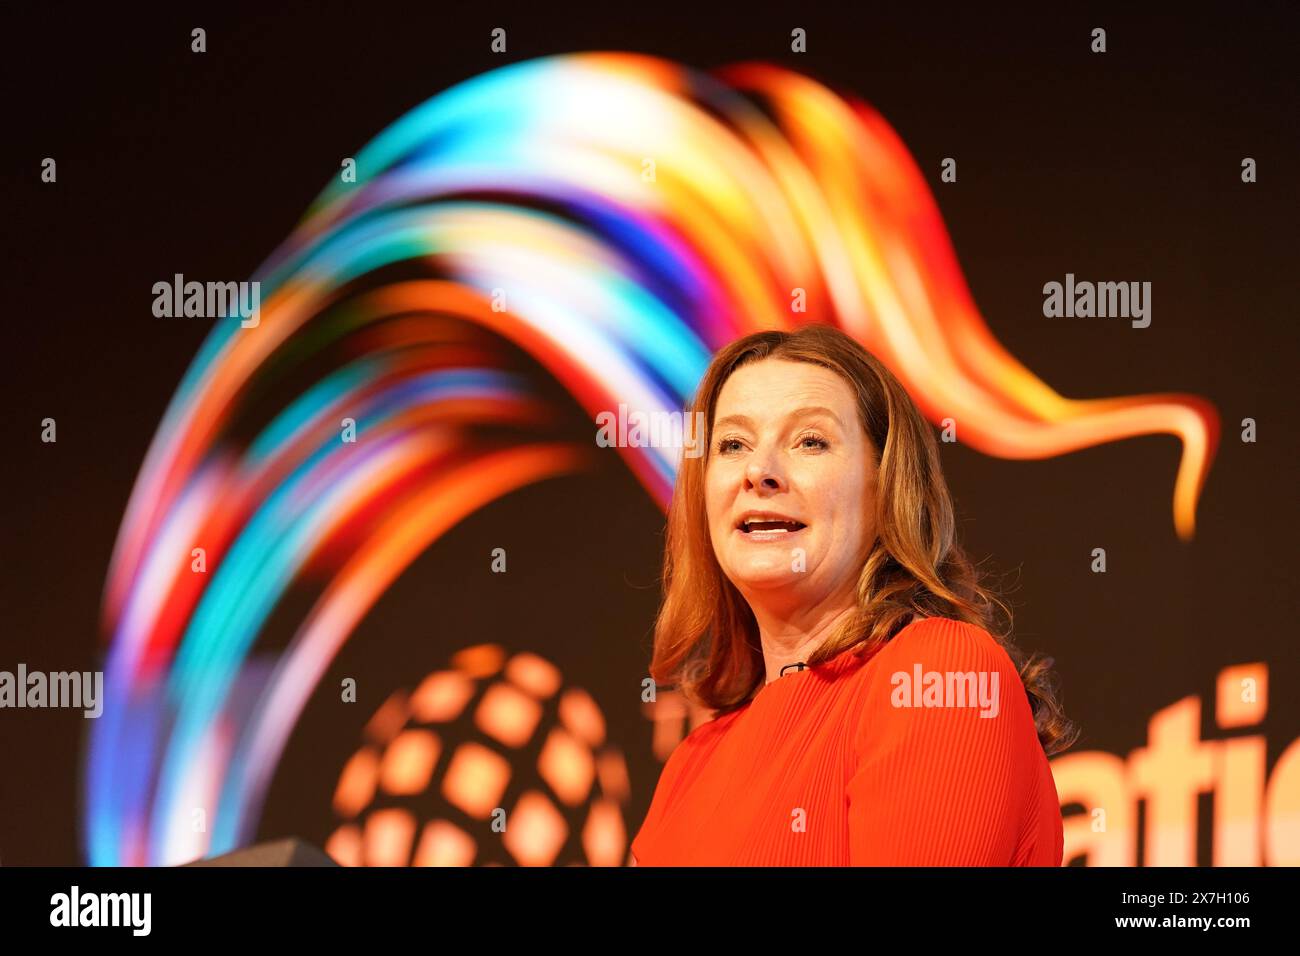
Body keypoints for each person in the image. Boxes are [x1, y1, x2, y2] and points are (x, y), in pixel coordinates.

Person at [630, 324, 1078, 866]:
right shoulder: (694, 762)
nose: (759, 471)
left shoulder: (940, 673)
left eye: (810, 441)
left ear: (884, 485)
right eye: (733, 444)